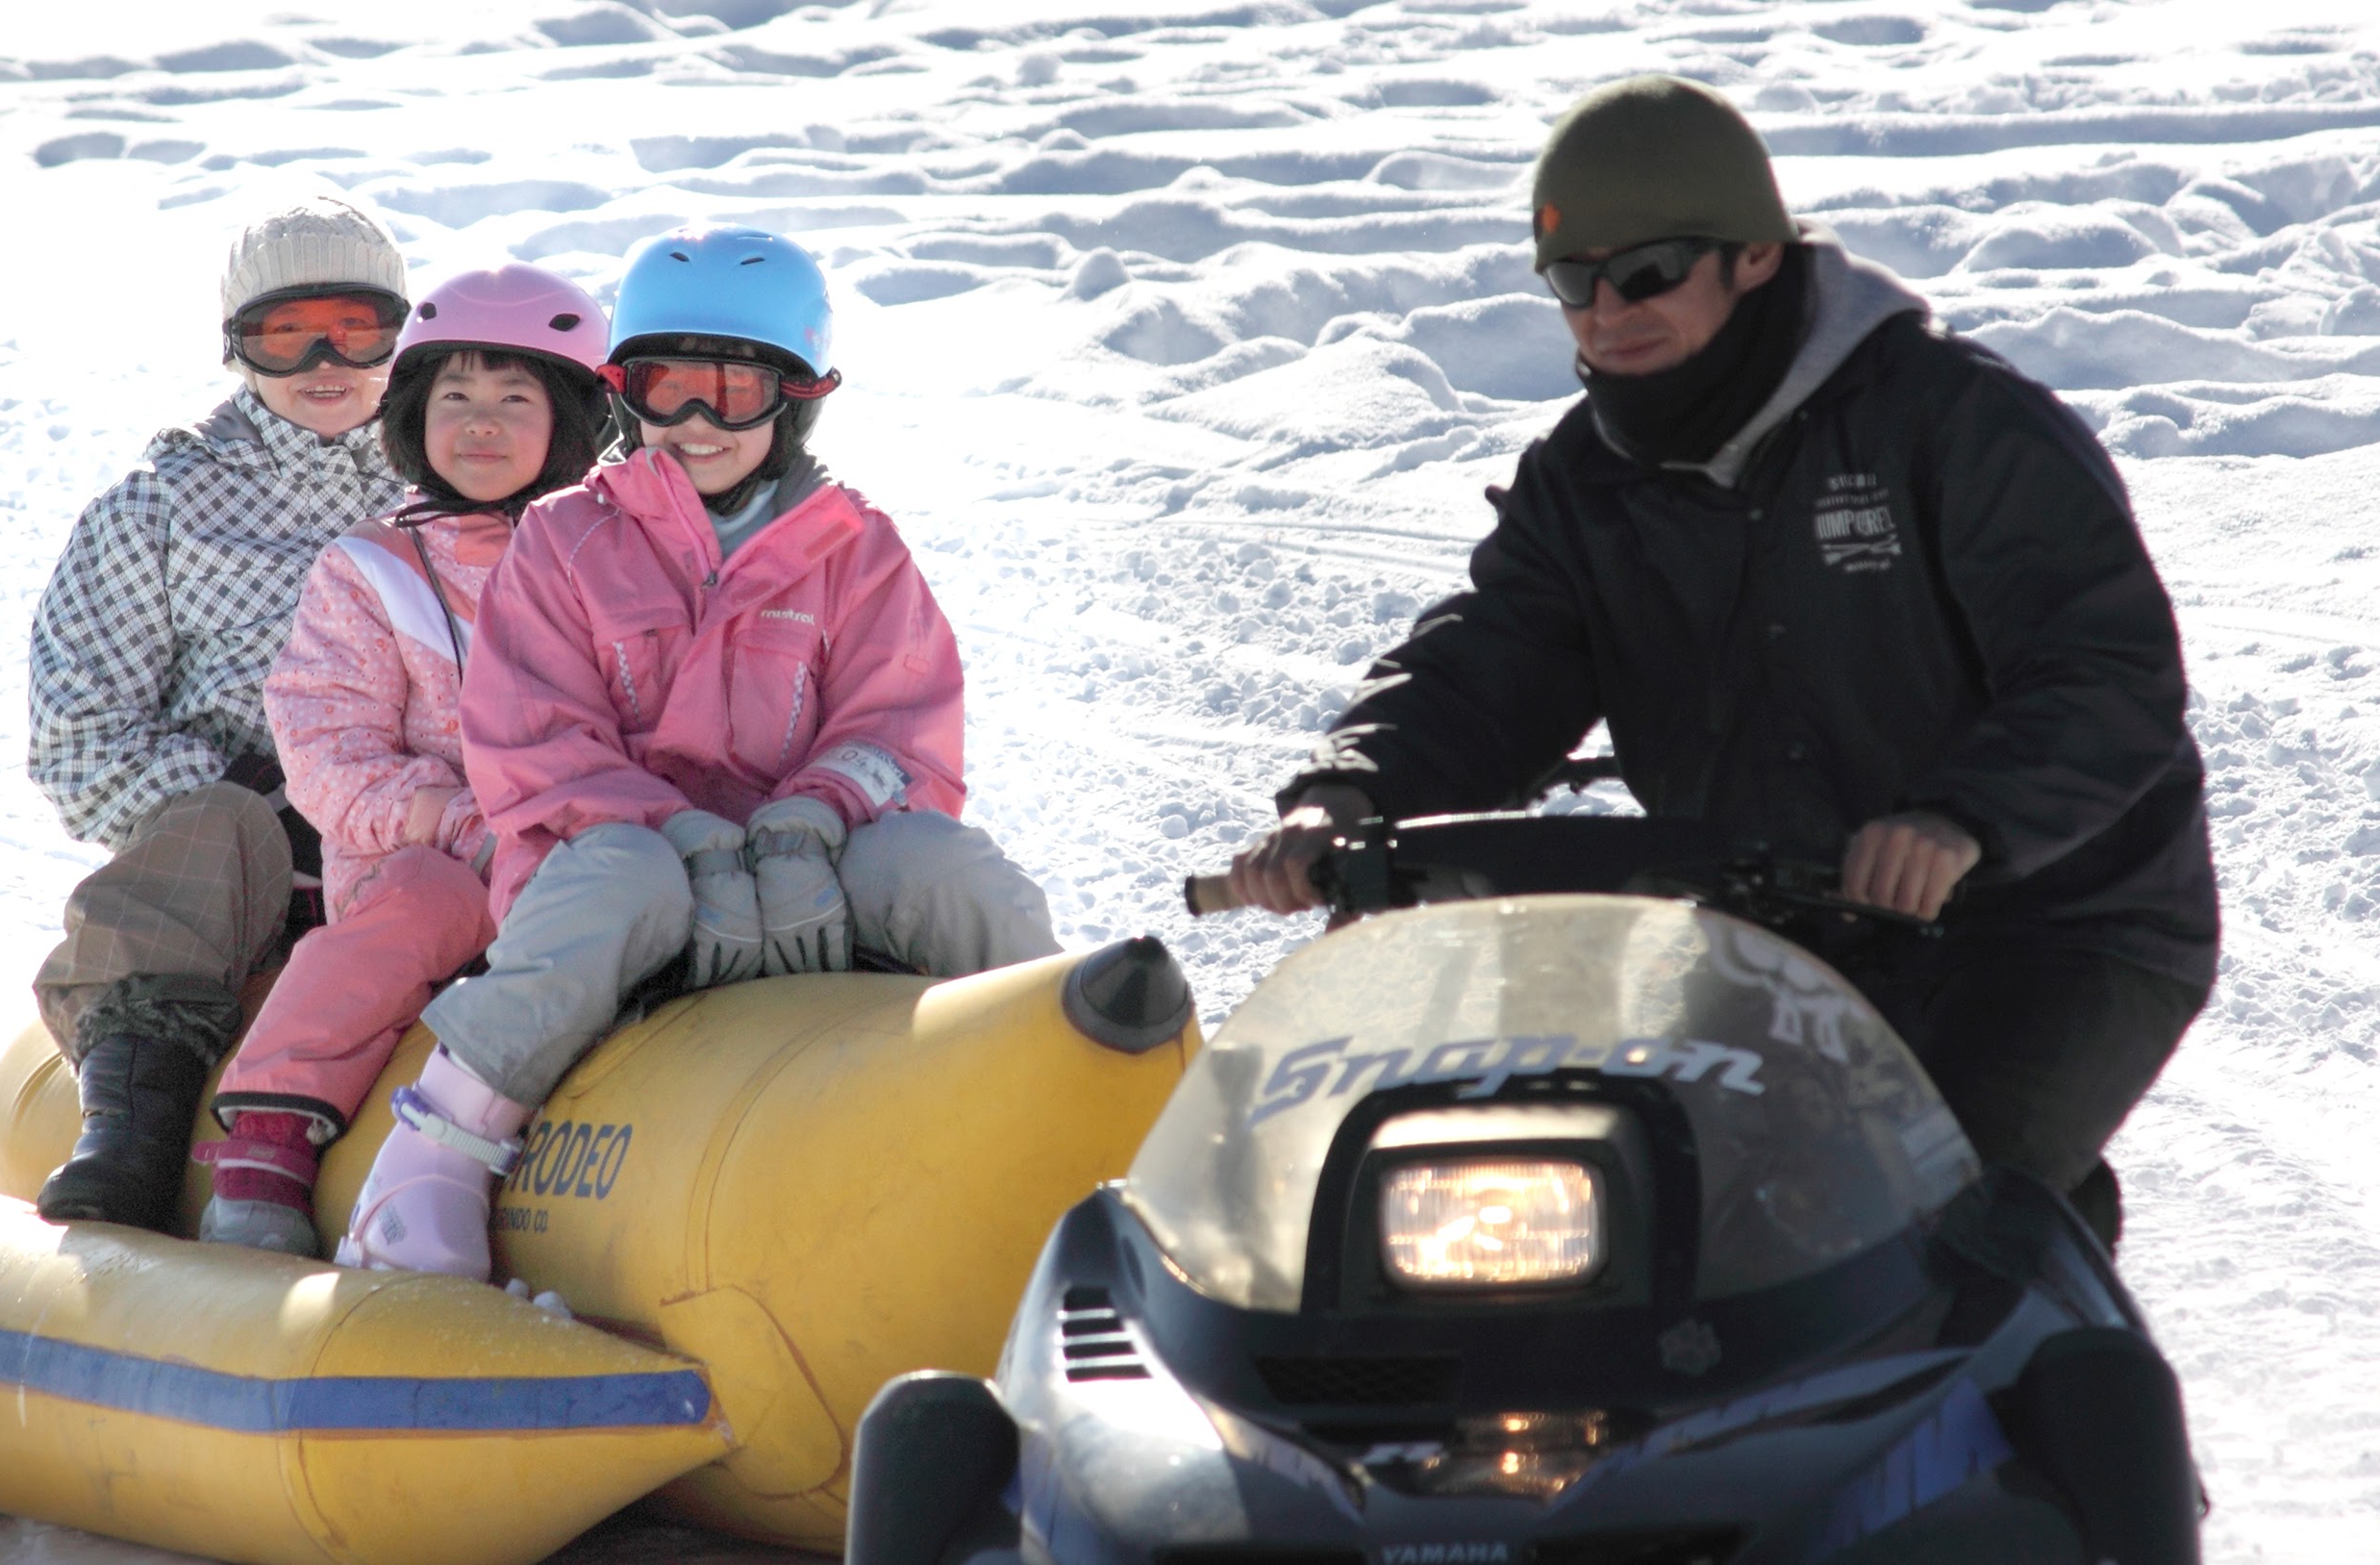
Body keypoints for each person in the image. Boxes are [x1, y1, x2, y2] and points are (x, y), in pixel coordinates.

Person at [1222, 76, 2217, 1249]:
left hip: (2049, 919)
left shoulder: (1949, 420)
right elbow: (1488, 662)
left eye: (1643, 272)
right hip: (1777, 920)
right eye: (1571, 283)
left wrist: (1959, 818)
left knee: (1925, 1215)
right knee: (1631, 1203)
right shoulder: (1585, 481)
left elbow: (2102, 666)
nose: (1605, 311)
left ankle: (2057, 1366)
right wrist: (1349, 790)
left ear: (1752, 256)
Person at [334, 224, 1063, 1279]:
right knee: (618, 883)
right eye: (665, 386)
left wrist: (811, 817)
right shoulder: (562, 539)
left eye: (730, 392)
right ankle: (427, 1165)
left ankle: (1071, 1103)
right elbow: (533, 739)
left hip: (814, 876)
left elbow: (900, 725)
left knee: (943, 866)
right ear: (625, 392)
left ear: (797, 397)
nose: (691, 422)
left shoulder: (856, 550)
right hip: (633, 873)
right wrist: (676, 829)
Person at [187, 265, 614, 1255]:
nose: (481, 424)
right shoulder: (372, 570)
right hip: (427, 859)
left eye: (517, 399)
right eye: (454, 397)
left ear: (574, 423)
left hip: (582, 860)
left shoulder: (621, 562)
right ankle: (269, 1133)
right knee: (421, 902)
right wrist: (462, 821)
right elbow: (327, 754)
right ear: (413, 414)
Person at [26, 194, 408, 1231]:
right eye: (285, 334)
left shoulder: (459, 471)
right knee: (214, 829)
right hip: (245, 853)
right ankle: (134, 1133)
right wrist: (252, 803)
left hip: (421, 814)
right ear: (237, 350)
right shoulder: (164, 503)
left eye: (355, 325)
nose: (325, 358)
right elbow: (78, 738)